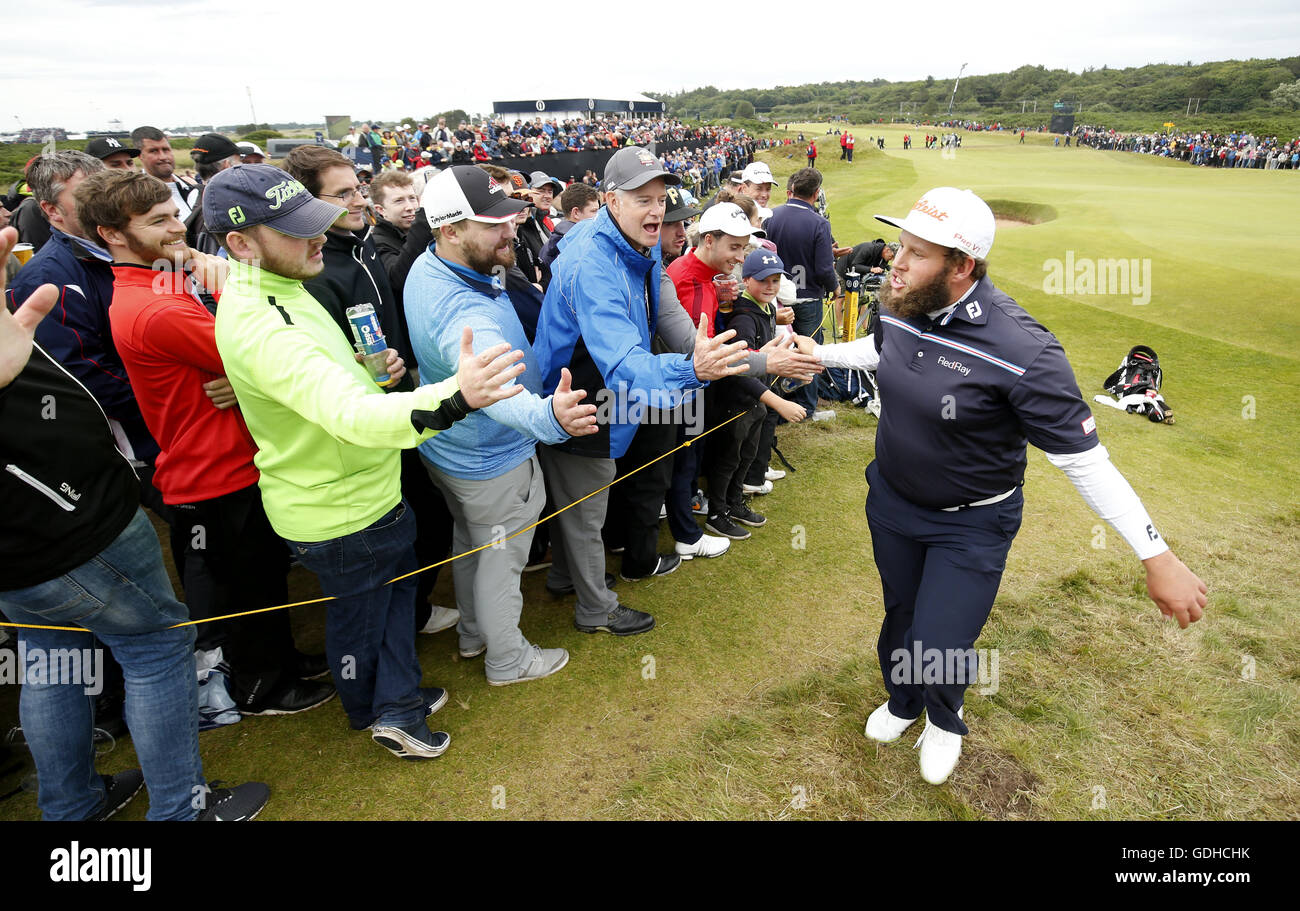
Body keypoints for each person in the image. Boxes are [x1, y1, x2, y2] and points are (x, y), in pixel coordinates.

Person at [804, 187, 1207, 784]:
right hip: (891, 500)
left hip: (971, 522)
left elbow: (1084, 462)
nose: (897, 262)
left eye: (917, 253)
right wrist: (821, 353)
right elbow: (884, 349)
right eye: (901, 246)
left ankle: (943, 717)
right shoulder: (899, 302)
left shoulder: (1026, 351)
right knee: (901, 615)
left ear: (961, 266)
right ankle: (904, 700)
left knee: (941, 636)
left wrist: (1157, 555)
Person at [206, 163, 526, 759]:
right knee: (378, 615)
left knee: (370, 613)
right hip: (345, 504)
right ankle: (397, 712)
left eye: (315, 223)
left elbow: (331, 389)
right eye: (296, 230)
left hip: (344, 492)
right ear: (240, 243)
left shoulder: (279, 290)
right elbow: (349, 414)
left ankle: (370, 704)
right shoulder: (267, 322)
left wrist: (369, 370)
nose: (317, 239)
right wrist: (456, 394)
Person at [0, 225, 270, 821]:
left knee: (50, 664)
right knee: (154, 651)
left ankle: (73, 806)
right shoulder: (87, 287)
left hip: (27, 552)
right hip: (77, 530)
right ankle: (182, 809)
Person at [80, 167, 335, 716]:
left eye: (175, 213)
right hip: (212, 469)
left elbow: (228, 334)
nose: (178, 229)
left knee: (262, 578)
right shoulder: (153, 303)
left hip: (223, 458)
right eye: (158, 221)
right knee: (249, 588)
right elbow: (254, 351)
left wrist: (235, 375)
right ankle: (263, 687)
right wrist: (241, 370)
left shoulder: (158, 277)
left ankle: (280, 664)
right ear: (111, 234)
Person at [532, 146, 750, 634]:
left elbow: (661, 309)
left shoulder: (637, 238)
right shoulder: (593, 261)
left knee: (580, 502)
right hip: (578, 393)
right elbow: (626, 364)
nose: (657, 211)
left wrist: (704, 354)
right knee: (587, 508)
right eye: (642, 199)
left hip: (603, 389)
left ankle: (567, 579)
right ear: (610, 200)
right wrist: (694, 370)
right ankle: (596, 609)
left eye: (660, 198)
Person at [404, 166, 597, 684]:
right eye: (494, 223)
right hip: (492, 458)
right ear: (449, 230)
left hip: (454, 452)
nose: (511, 230)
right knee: (501, 559)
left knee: (472, 543)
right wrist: (548, 418)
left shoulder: (432, 266)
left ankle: (472, 634)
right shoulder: (463, 312)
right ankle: (508, 659)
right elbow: (496, 386)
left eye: (512, 216)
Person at [764, 167, 838, 420]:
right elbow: (824, 268)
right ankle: (806, 407)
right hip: (807, 297)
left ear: (791, 190)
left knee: (780, 347)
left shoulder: (771, 216)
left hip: (775, 297)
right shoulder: (819, 223)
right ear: (816, 194)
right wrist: (835, 287)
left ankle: (780, 402)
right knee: (810, 349)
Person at [131, 126, 199, 220]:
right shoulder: (134, 196)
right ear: (140, 156)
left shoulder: (193, 189)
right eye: (154, 151)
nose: (163, 157)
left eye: (166, 150)